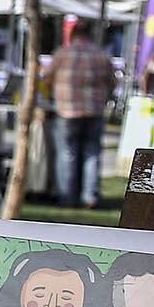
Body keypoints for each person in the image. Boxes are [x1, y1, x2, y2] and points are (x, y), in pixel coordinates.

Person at [50, 21, 115, 208]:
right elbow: (112, 83)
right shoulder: (101, 55)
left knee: (67, 153)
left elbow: (47, 77)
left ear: (73, 34)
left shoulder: (62, 53)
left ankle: (67, 196)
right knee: (92, 153)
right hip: (94, 110)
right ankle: (90, 196)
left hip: (67, 110)